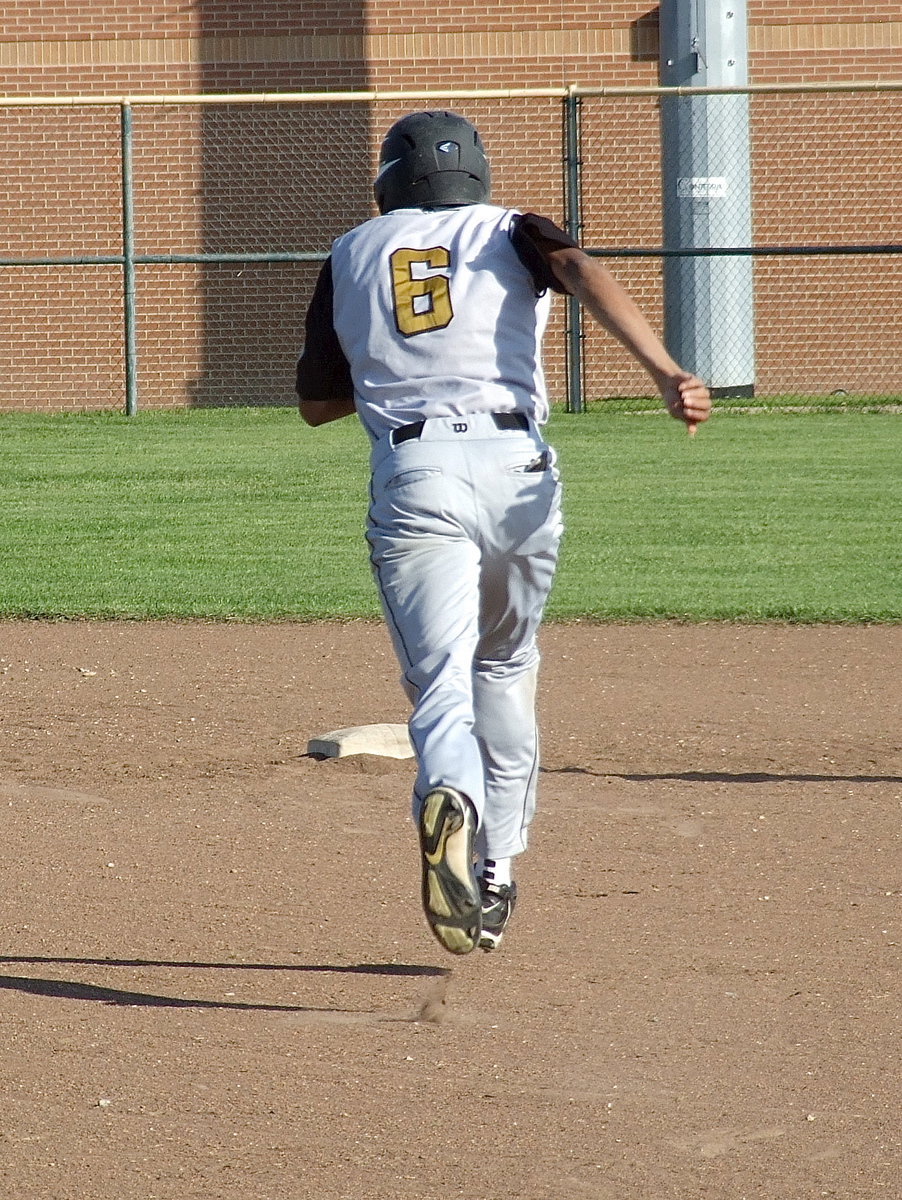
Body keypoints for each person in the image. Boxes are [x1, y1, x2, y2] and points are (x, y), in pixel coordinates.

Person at [296, 110, 711, 957]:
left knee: (441, 682)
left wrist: (395, 374)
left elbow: (315, 404)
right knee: (508, 665)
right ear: (474, 174)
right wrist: (666, 371)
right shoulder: (512, 226)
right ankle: (497, 866)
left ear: (388, 181)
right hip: (518, 466)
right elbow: (577, 267)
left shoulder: (350, 254)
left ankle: (449, 792)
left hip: (417, 476)